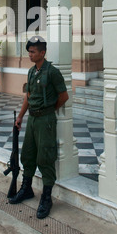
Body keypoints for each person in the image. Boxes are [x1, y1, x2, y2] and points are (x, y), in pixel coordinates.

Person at [9, 36, 69, 219]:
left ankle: (46, 197)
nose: (30, 54)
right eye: (29, 51)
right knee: (28, 154)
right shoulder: (31, 72)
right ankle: (26, 189)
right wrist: (20, 116)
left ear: (42, 53)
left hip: (45, 121)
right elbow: (28, 96)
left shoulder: (52, 72)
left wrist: (49, 110)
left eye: (33, 51)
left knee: (45, 156)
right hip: (33, 120)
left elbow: (64, 96)